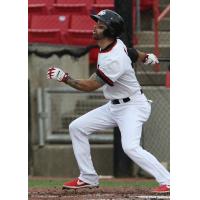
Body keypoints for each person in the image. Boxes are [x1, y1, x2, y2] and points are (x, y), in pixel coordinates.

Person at [47, 9, 170, 193]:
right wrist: (146, 57)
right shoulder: (116, 45)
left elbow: (89, 86)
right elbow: (132, 52)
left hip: (133, 107)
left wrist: (65, 77)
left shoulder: (113, 60)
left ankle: (168, 181)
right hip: (114, 106)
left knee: (130, 147)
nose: (95, 27)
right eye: (96, 23)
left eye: (101, 26)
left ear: (110, 31)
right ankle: (88, 177)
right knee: (77, 127)